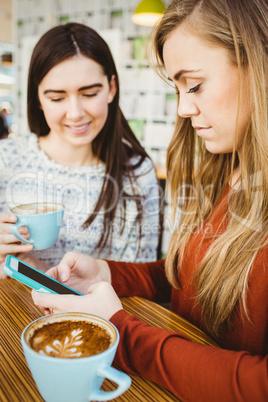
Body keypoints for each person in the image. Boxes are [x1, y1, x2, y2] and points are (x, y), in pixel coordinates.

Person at [31, 0, 268, 400]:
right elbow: (185, 280)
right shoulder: (231, 172)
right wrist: (108, 274)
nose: (183, 108)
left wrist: (125, 333)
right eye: (177, 89)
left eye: (193, 85)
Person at [0, 23, 160, 278]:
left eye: (89, 93)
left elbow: (140, 280)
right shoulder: (5, 160)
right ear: (38, 98)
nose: (75, 113)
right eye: (57, 98)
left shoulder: (136, 173)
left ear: (112, 88)